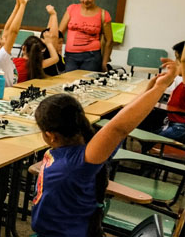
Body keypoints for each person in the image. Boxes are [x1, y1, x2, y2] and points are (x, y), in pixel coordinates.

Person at [31, 59, 178, 236]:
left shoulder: (81, 160)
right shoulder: (88, 148)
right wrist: (150, 90)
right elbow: (119, 124)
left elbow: (119, 127)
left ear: (50, 135)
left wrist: (160, 88)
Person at [59, 0, 113, 72]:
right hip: (70, 56)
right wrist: (57, 53)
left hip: (92, 56)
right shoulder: (71, 9)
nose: (85, 0)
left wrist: (104, 62)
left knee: (86, 84)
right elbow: (59, 33)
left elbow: (109, 41)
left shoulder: (103, 14)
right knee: (68, 83)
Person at [41, 5, 65, 76]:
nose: (60, 45)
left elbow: (48, 32)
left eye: (61, 43)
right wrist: (53, 15)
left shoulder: (59, 55)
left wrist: (51, 17)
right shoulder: (48, 54)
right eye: (58, 43)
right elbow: (53, 37)